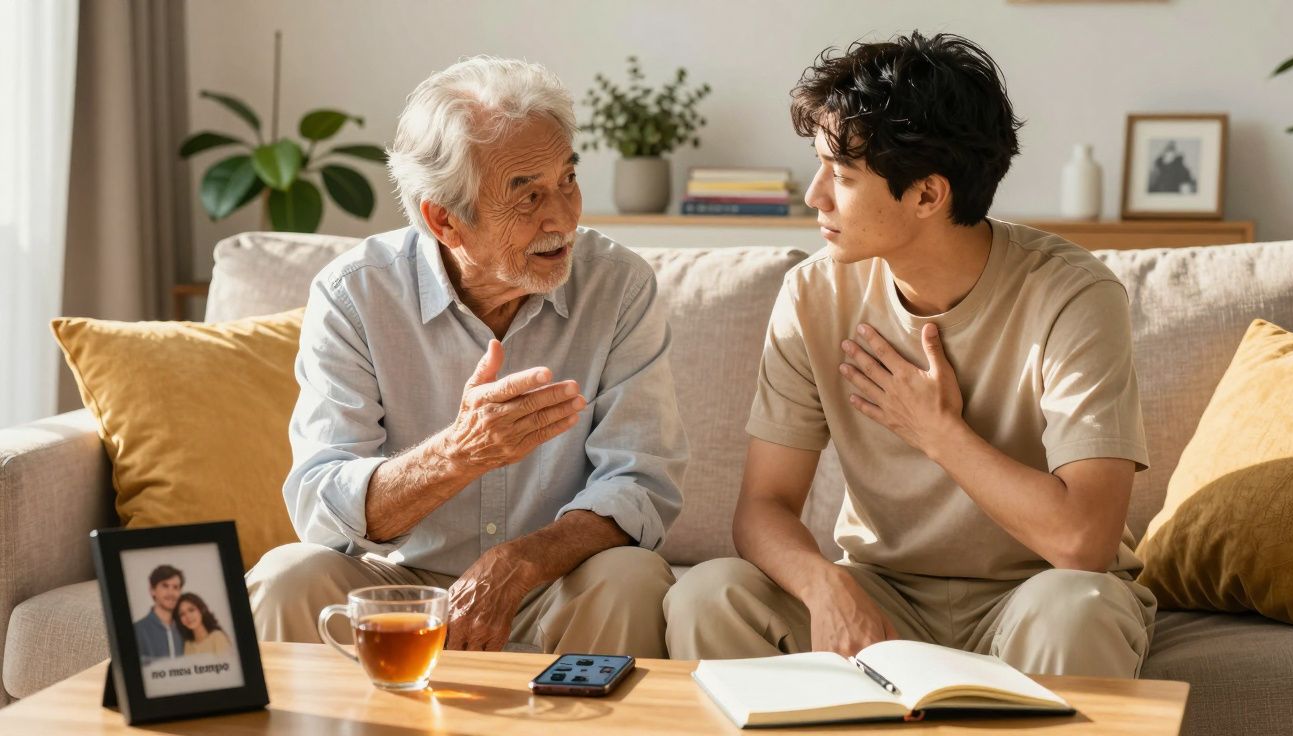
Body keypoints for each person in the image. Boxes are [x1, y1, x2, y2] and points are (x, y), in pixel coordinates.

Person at [665, 32, 1157, 678]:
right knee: (708, 596)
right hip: (883, 589)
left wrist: (938, 431)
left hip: (1035, 594)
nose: (816, 196)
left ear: (927, 195)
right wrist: (823, 587)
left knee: (1077, 609)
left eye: (841, 176)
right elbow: (763, 507)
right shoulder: (814, 293)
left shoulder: (1075, 296)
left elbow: (1081, 542)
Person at [246, 56, 687, 658]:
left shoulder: (619, 286)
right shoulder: (354, 293)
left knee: (630, 577)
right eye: (526, 196)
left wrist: (519, 562)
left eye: (567, 179)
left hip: (551, 584)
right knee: (288, 577)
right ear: (445, 220)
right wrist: (460, 453)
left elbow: (639, 484)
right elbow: (320, 507)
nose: (562, 216)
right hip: (398, 591)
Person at [134, 565, 185, 664]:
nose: (171, 592)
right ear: (152, 590)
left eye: (175, 587)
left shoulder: (185, 630)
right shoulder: (137, 630)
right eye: (165, 586)